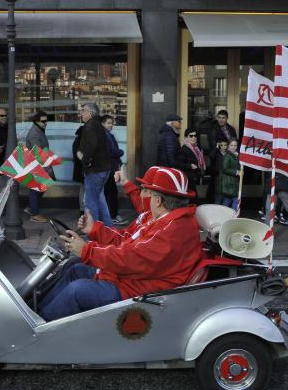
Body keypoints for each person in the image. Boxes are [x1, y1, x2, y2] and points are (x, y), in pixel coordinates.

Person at [38, 166, 201, 321]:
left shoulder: (172, 231)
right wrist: (94, 229)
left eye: (146, 191)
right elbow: (125, 239)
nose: (142, 195)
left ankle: (35, 335)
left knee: (77, 290)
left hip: (138, 292)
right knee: (75, 266)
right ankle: (36, 310)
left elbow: (128, 259)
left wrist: (87, 251)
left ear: (157, 200)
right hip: (132, 280)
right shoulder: (163, 219)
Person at [77, 102, 113, 227]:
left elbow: (91, 146)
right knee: (100, 201)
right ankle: (109, 229)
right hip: (103, 169)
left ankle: (93, 232)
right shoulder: (97, 125)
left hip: (95, 170)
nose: (81, 113)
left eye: (83, 110)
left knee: (90, 203)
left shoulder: (90, 126)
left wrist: (85, 160)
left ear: (90, 113)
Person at [25, 111, 53, 223]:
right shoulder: (35, 133)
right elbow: (38, 152)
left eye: (46, 120)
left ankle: (32, 208)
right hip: (37, 165)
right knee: (36, 189)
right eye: (43, 121)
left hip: (38, 164)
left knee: (39, 187)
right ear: (36, 121)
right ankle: (35, 214)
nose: (46, 123)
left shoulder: (39, 129)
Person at [101, 115, 125, 225]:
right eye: (109, 123)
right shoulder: (105, 136)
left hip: (108, 168)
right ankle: (112, 216)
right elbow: (111, 151)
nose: (111, 125)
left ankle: (110, 215)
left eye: (112, 123)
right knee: (111, 192)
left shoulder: (107, 135)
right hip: (108, 168)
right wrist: (121, 152)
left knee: (109, 192)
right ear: (103, 124)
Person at [176, 126, 206, 200]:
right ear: (186, 137)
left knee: (195, 198)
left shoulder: (197, 148)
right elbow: (179, 164)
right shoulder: (184, 149)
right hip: (188, 178)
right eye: (191, 136)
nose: (193, 137)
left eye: (195, 136)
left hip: (195, 177)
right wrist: (190, 165)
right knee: (192, 198)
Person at [220, 139, 240, 210]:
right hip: (229, 182)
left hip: (234, 182)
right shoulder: (227, 156)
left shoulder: (236, 155)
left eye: (235, 145)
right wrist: (236, 172)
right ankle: (232, 216)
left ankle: (226, 216)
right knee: (232, 200)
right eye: (231, 145)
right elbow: (225, 168)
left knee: (228, 200)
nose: (233, 147)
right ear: (228, 146)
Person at [209, 140, 228, 204]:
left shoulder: (228, 154)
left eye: (225, 145)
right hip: (218, 176)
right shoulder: (217, 153)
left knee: (225, 196)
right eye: (221, 145)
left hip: (226, 176)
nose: (223, 147)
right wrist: (216, 147)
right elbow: (211, 156)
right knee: (218, 195)